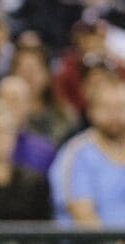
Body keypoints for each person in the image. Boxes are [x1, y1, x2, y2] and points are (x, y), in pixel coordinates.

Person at [50, 77, 125, 227]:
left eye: (120, 107)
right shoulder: (76, 154)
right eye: (106, 107)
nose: (114, 115)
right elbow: (83, 217)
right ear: (90, 111)